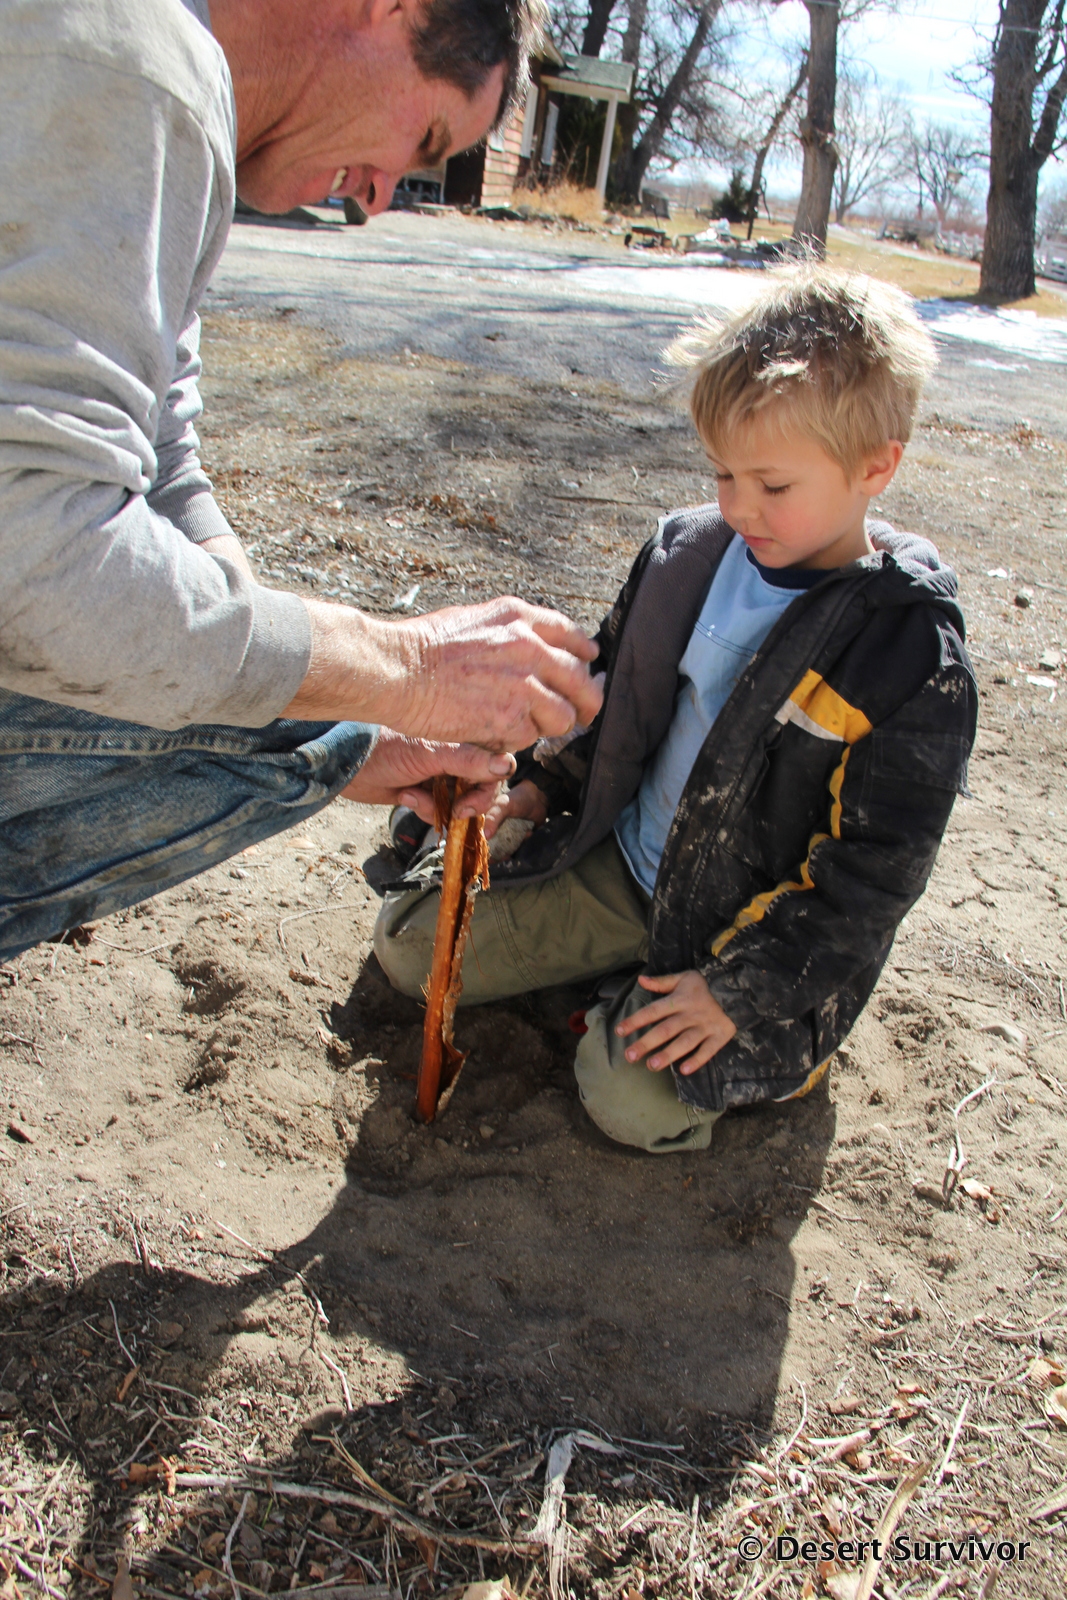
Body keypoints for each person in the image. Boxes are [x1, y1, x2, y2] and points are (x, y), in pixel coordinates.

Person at [0, 0, 603, 963]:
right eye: (425, 136)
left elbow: (161, 461)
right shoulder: (142, 67)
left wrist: (338, 726)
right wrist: (405, 671)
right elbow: (40, 565)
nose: (377, 198)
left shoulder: (176, 100)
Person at [374, 265, 979, 1154]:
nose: (740, 508)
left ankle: (728, 1036)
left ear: (874, 466)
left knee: (627, 1101)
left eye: (772, 486)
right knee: (408, 949)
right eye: (723, 474)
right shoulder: (686, 557)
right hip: (625, 870)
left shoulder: (906, 656)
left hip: (749, 944)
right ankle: (612, 973)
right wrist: (536, 791)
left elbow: (873, 878)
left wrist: (736, 992)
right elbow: (611, 703)